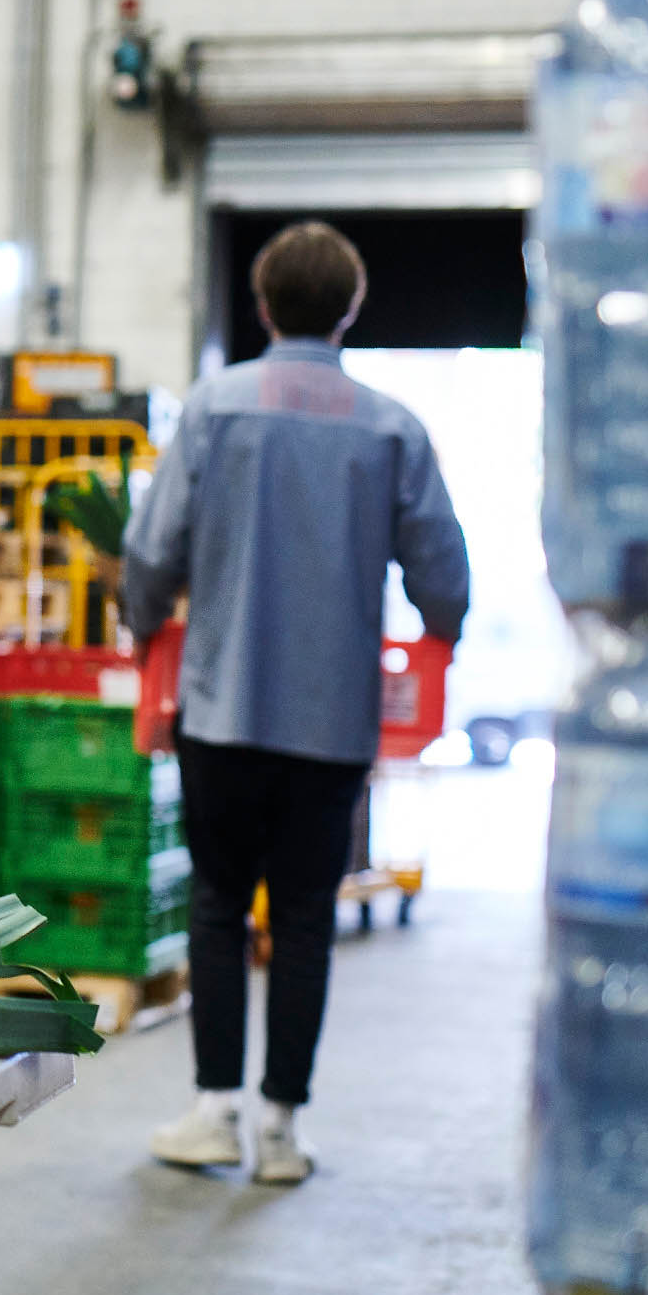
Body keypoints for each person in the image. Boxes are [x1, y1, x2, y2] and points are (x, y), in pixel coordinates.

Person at [121, 220, 468, 1186]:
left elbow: (152, 552)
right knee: (308, 912)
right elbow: (443, 565)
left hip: (222, 708)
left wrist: (140, 618)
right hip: (333, 719)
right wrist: (443, 629)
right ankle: (282, 1129)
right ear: (350, 309)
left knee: (222, 904)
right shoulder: (391, 425)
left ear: (264, 306)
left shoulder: (214, 410)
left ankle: (213, 1110)